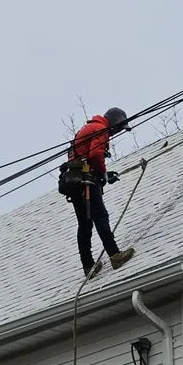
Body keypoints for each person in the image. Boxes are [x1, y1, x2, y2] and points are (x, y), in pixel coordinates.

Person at [61, 107, 136, 278]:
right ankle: (115, 255)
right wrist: (102, 173)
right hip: (86, 181)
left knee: (85, 224)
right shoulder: (100, 129)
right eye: (118, 128)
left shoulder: (88, 128)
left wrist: (103, 175)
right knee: (100, 216)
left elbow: (85, 156)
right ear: (115, 122)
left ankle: (88, 266)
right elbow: (95, 155)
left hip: (75, 181)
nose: (115, 133)